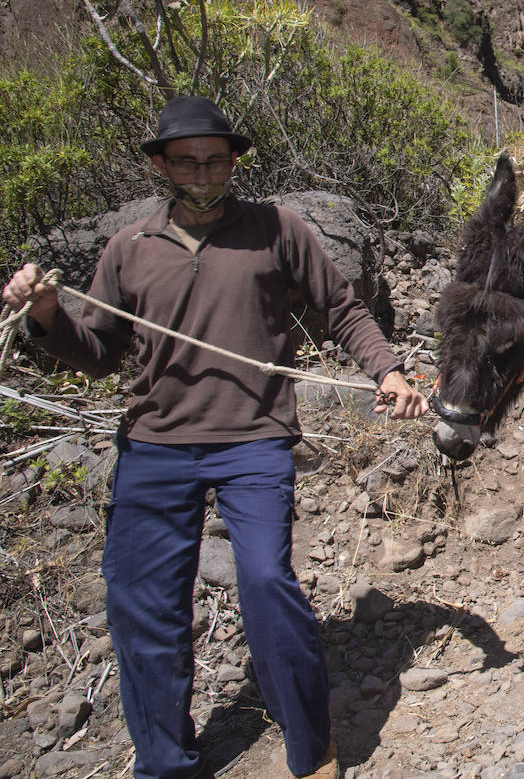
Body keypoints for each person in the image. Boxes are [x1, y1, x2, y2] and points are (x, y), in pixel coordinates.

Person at [2, 96, 428, 779]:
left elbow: (342, 308)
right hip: (154, 445)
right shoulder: (129, 247)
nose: (202, 174)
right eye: (186, 162)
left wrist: (389, 371)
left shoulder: (277, 229)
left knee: (265, 581)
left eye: (215, 160)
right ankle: (164, 764)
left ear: (234, 161)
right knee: (141, 604)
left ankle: (309, 748)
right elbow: (98, 354)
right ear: (159, 165)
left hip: (253, 440)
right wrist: (48, 315)